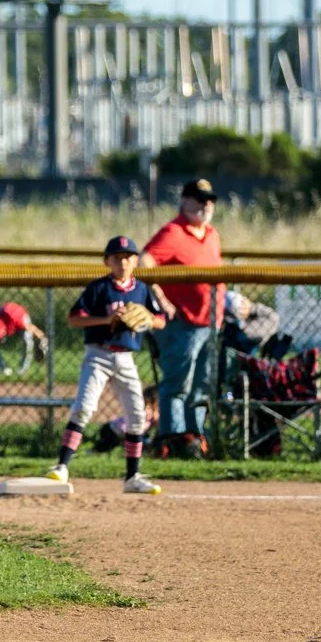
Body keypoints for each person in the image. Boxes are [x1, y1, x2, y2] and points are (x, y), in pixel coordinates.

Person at [43, 236, 165, 494]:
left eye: (128, 257)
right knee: (84, 408)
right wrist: (106, 319)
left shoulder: (142, 289)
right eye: (117, 257)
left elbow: (161, 320)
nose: (123, 262)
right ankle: (62, 467)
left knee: (137, 415)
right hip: (97, 354)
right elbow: (75, 319)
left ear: (135, 261)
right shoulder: (99, 288)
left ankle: (132, 477)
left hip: (126, 358)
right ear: (107, 261)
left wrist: (147, 321)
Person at [140, 178, 225, 457]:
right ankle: (173, 440)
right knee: (177, 385)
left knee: (200, 387)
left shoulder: (211, 234)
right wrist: (161, 299)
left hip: (210, 323)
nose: (206, 205)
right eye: (199, 199)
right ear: (184, 201)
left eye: (209, 200)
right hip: (182, 325)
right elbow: (145, 262)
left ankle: (195, 440)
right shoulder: (173, 232)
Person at [0, 301, 48, 376]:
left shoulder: (16, 319)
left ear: (4, 332)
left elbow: (31, 328)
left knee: (27, 340)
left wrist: (42, 338)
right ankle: (4, 370)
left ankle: (22, 370)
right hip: (3, 313)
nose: (1, 340)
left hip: (19, 314)